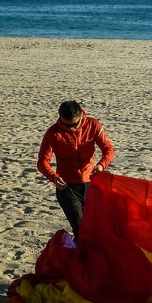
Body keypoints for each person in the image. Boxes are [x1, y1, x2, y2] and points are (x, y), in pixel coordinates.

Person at [37, 101, 115, 241]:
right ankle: (83, 258)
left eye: (74, 125)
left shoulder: (93, 125)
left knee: (95, 226)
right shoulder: (53, 133)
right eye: (66, 125)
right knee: (79, 226)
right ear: (60, 118)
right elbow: (42, 162)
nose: (71, 129)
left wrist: (101, 166)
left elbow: (108, 149)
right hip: (67, 186)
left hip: (91, 184)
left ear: (81, 116)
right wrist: (53, 177)